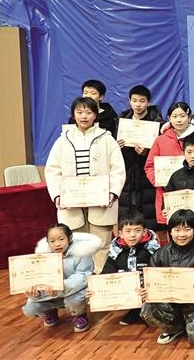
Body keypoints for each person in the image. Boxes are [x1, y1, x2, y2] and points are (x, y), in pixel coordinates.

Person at [46, 96, 126, 271]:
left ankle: (100, 280)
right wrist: (58, 195)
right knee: (77, 244)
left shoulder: (107, 139)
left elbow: (118, 169)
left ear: (95, 115)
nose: (84, 116)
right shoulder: (63, 140)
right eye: (80, 112)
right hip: (71, 203)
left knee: (101, 244)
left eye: (88, 112)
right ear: (73, 115)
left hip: (102, 201)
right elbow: (52, 170)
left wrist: (112, 193)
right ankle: (81, 280)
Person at [140, 210, 194, 347]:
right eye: (177, 230)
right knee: (147, 309)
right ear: (170, 232)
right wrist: (145, 289)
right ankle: (176, 328)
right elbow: (150, 279)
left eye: (187, 229)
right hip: (171, 302)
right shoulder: (161, 253)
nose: (181, 234)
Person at [145, 101, 194, 240]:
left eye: (182, 116)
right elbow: (149, 166)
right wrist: (159, 182)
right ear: (169, 118)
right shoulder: (160, 140)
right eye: (174, 116)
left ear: (189, 117)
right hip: (168, 194)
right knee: (171, 234)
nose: (179, 120)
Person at [22, 224, 101, 333]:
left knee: (74, 300)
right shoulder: (43, 257)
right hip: (51, 293)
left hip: (74, 291)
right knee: (31, 308)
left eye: (61, 239)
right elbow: (39, 279)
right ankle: (50, 311)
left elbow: (82, 276)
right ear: (48, 242)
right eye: (52, 241)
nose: (57, 244)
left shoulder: (82, 253)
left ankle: (79, 314)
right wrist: (37, 293)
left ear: (70, 238)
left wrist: (60, 286)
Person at [99, 210, 160, 325]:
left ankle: (150, 310)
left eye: (137, 230)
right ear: (120, 233)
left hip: (149, 290)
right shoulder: (116, 250)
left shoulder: (152, 249)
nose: (132, 235)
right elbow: (107, 272)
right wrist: (96, 289)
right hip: (128, 291)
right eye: (128, 231)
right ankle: (135, 310)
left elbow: (159, 272)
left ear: (144, 231)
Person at [117, 85, 163, 232]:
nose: (138, 104)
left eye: (142, 101)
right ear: (129, 101)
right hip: (127, 176)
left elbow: (161, 152)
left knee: (149, 218)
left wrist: (146, 153)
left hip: (147, 177)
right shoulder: (121, 122)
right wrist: (117, 147)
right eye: (134, 100)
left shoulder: (157, 124)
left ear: (148, 102)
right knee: (127, 218)